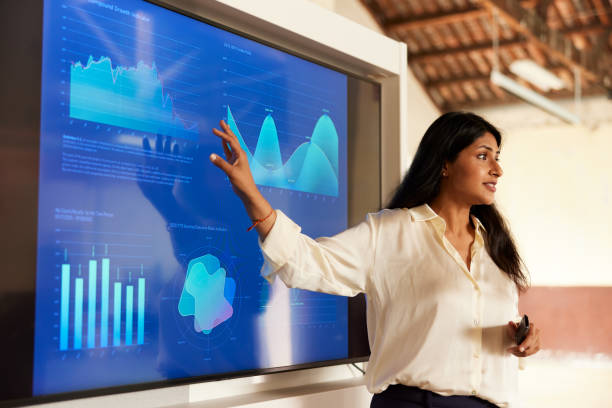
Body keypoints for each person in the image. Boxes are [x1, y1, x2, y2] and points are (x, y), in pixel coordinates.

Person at [209, 111, 542, 408]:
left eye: (497, 158)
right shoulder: (391, 233)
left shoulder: (496, 247)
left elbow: (492, 322)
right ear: (445, 164)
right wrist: (251, 194)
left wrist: (522, 340)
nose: (497, 170)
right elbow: (307, 262)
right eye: (484, 156)